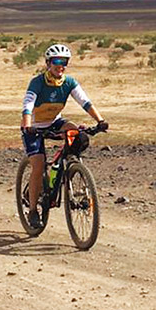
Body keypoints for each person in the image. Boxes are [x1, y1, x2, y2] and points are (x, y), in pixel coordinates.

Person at [20, 43, 107, 228]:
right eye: (57, 61)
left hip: (54, 122)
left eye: (64, 62)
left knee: (78, 135)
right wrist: (27, 125)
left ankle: (71, 171)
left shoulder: (69, 83)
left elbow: (85, 102)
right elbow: (28, 105)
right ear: (48, 63)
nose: (61, 66)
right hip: (34, 127)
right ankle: (33, 210)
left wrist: (100, 121)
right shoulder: (38, 82)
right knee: (38, 164)